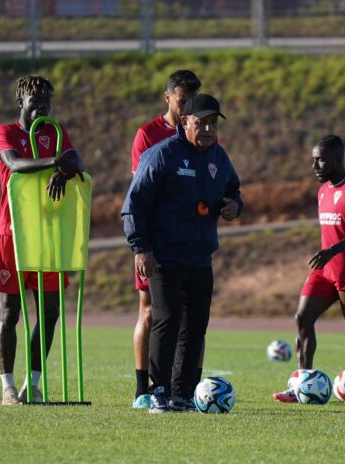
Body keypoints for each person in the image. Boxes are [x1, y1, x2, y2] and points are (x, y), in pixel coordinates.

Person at [122, 94, 243, 413]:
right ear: (184, 122)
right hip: (163, 257)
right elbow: (133, 205)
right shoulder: (162, 155)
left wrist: (234, 206)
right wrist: (141, 248)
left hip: (200, 257)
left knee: (195, 327)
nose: (207, 129)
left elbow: (233, 189)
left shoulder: (219, 156)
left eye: (213, 123)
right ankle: (158, 391)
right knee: (167, 319)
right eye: (201, 122)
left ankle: (183, 393)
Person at [0, 75, 84, 405]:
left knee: (50, 313)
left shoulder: (56, 133)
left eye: (47, 103)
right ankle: (7, 387)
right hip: (14, 234)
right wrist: (54, 162)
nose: (42, 108)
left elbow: (79, 161)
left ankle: (31, 384)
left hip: (48, 235)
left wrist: (65, 170)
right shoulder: (6, 132)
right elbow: (14, 164)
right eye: (35, 103)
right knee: (10, 312)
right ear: (21, 103)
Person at [272, 134, 345, 406]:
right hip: (325, 270)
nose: (315, 166)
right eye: (313, 160)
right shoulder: (323, 191)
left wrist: (332, 251)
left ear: (337, 160)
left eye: (320, 160)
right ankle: (301, 385)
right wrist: (327, 256)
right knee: (302, 318)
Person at [129, 70, 207, 410]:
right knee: (151, 312)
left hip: (189, 246)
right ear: (168, 97)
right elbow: (142, 192)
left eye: (191, 99)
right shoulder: (148, 135)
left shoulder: (202, 134)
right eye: (181, 99)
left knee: (191, 318)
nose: (187, 105)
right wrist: (144, 243)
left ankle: (185, 388)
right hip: (156, 243)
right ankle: (143, 389)